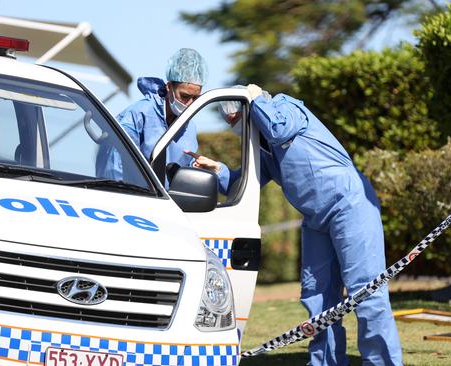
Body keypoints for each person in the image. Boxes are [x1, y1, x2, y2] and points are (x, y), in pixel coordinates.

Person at [191, 85, 403, 365]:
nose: (236, 127)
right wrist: (217, 170)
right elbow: (242, 183)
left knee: (366, 291)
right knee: (317, 296)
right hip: (315, 219)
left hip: (349, 205)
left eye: (237, 119)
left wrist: (255, 100)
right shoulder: (264, 150)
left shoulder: (285, 107)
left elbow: (279, 130)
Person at [96, 48, 208, 183]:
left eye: (195, 98)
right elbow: (113, 165)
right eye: (184, 96)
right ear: (169, 87)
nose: (190, 104)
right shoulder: (138, 114)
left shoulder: (189, 128)